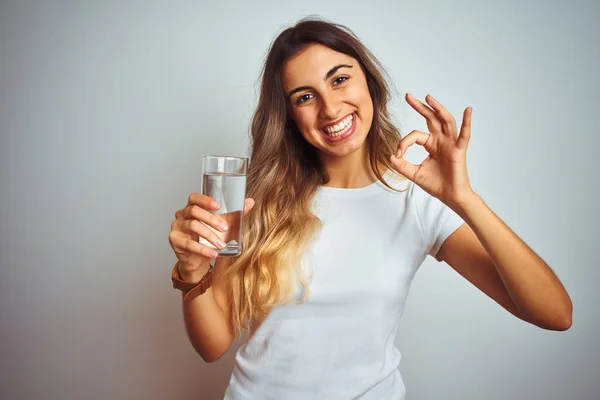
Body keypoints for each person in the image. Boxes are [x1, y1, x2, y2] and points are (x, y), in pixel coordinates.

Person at [168, 17, 573, 400]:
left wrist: (465, 199)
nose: (330, 109)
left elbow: (555, 314)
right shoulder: (257, 200)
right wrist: (191, 271)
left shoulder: (416, 198)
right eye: (305, 97)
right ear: (289, 116)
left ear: (370, 83)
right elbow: (212, 346)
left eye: (340, 79)